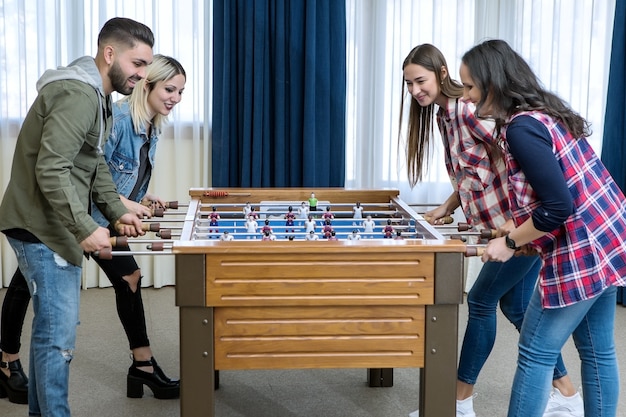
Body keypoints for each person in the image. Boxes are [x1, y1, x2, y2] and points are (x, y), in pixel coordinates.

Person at [400, 44, 580, 417]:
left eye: (421, 80)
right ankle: (565, 391)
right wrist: (448, 206)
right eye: (409, 84)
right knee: (514, 306)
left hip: (521, 228)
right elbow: (472, 171)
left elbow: (513, 157)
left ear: (442, 71)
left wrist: (517, 229)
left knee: (481, 300)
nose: (416, 90)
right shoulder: (443, 117)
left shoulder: (468, 110)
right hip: (495, 226)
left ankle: (458, 402)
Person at [0, 53, 185, 408]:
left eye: (180, 92)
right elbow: (75, 173)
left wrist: (139, 197)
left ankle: (142, 364)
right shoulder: (108, 113)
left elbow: (108, 172)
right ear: (146, 85)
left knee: (123, 278)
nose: (175, 98)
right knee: (35, 296)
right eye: (170, 89)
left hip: (101, 218)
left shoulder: (152, 125)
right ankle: (8, 361)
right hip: (82, 219)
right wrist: (122, 208)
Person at [460, 39, 626, 417]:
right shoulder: (541, 114)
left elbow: (558, 206)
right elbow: (556, 191)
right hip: (606, 237)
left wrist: (511, 242)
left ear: (493, 81)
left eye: (470, 86)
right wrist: (512, 225)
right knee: (599, 349)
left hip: (582, 246)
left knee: (536, 350)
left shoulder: (521, 128)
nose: (466, 97)